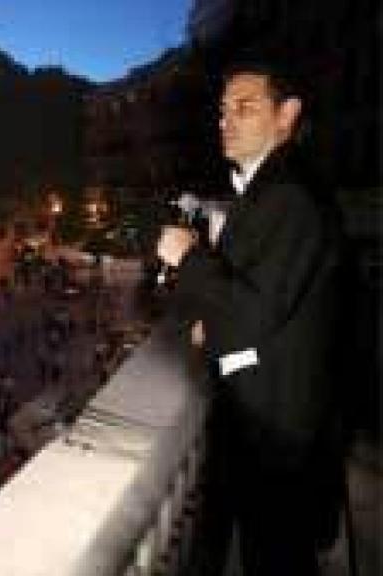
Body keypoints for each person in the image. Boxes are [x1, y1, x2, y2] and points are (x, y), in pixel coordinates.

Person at [156, 58, 344, 574]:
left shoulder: (288, 197)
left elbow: (251, 313)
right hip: (269, 431)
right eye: (223, 110)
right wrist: (211, 320)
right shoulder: (270, 192)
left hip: (277, 440)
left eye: (245, 107)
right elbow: (259, 298)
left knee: (277, 559)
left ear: (287, 115)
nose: (226, 121)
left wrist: (187, 257)